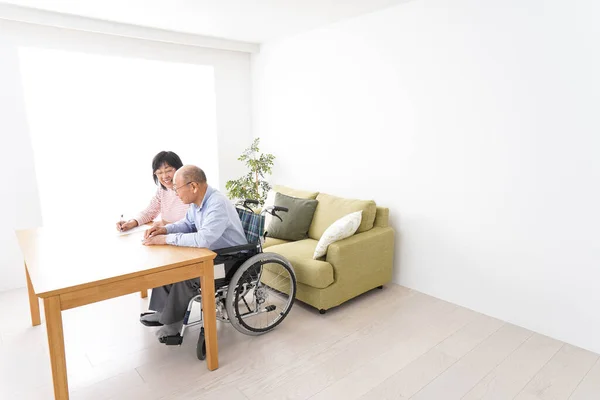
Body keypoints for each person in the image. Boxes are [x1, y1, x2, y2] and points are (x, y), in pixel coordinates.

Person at [141, 165, 248, 339]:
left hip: (232, 259)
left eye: (177, 188)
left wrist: (166, 239)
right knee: (168, 266)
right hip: (214, 254)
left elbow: (203, 239)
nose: (176, 193)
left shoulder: (216, 203)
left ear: (193, 186)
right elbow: (187, 224)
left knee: (188, 275)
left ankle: (172, 323)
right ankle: (163, 313)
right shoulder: (197, 203)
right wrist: (165, 230)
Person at [116, 151, 188, 232]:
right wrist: (132, 222)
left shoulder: (190, 190)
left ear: (179, 169)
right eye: (159, 172)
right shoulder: (162, 190)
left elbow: (192, 225)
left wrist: (166, 224)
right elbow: (149, 212)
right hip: (167, 237)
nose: (164, 176)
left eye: (168, 171)